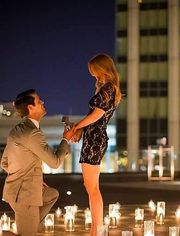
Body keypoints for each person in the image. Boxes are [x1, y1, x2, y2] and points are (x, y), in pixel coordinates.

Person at [1, 89, 72, 236]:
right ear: (30, 107)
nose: (43, 103)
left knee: (51, 194)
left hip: (16, 191)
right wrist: (65, 139)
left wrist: (32, 179)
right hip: (25, 196)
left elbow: (5, 163)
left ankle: (29, 225)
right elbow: (55, 162)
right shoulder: (32, 133)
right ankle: (27, 227)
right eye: (39, 101)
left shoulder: (19, 129)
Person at [70, 53, 122, 236]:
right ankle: (96, 229)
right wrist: (80, 131)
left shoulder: (108, 88)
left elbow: (96, 115)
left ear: (102, 69)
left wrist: (76, 127)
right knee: (90, 186)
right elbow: (94, 117)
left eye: (94, 71)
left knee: (92, 188)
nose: (92, 75)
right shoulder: (106, 88)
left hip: (95, 139)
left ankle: (97, 231)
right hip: (93, 137)